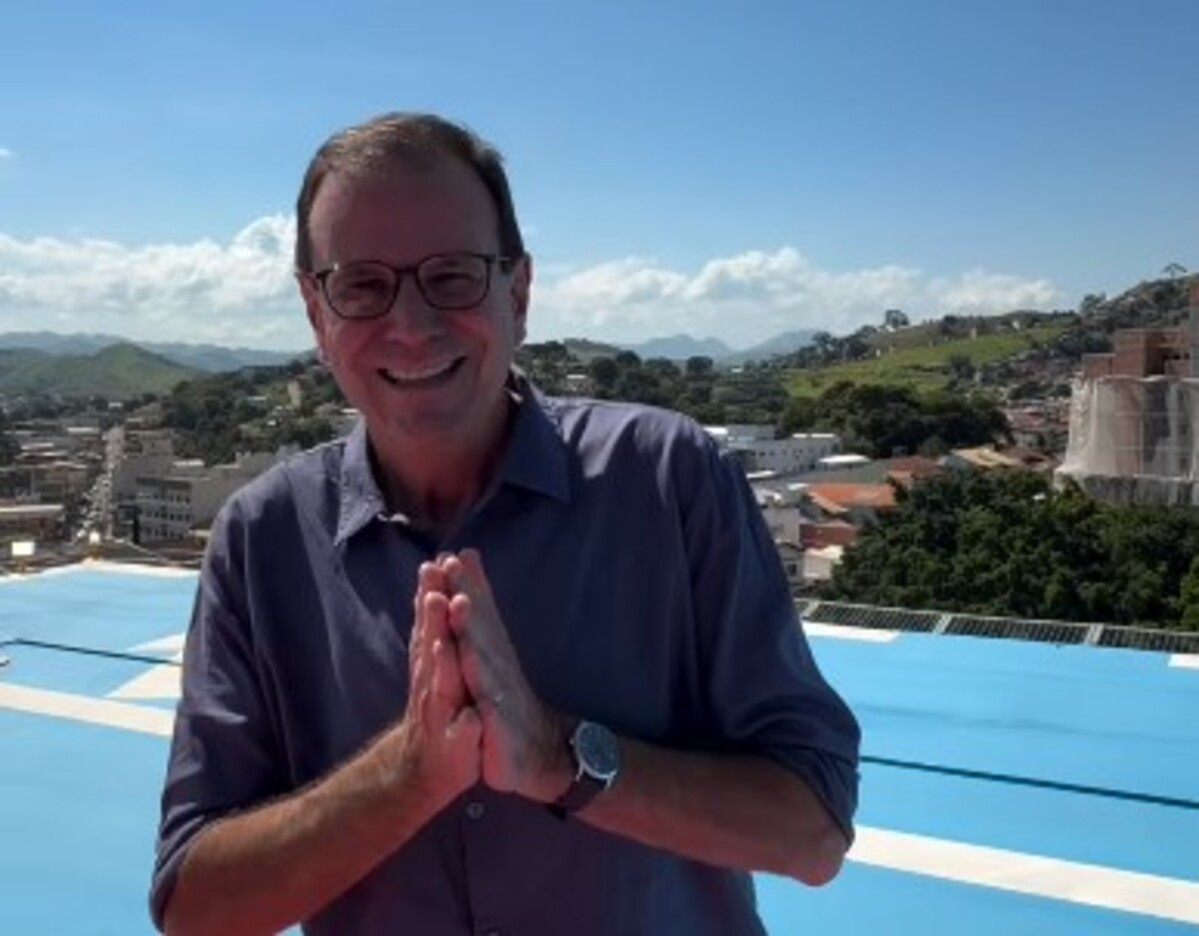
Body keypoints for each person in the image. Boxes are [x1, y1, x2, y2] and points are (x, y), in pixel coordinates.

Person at [150, 112, 860, 935]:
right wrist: (404, 777)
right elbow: (194, 907)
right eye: (363, 284)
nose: (410, 325)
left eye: (451, 276)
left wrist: (563, 757)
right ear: (316, 314)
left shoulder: (668, 481)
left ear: (517, 293)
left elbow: (812, 831)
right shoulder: (262, 541)